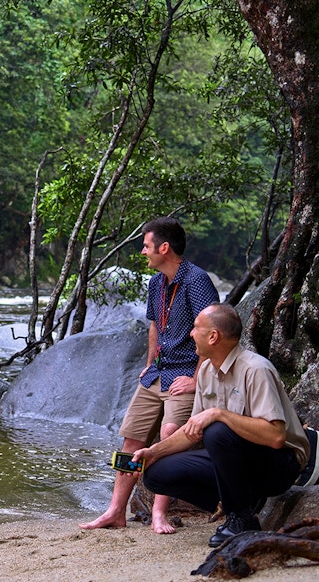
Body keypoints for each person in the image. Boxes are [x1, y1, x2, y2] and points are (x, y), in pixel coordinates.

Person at [79, 217, 219, 534]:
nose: (143, 251)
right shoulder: (156, 283)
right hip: (156, 372)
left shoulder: (197, 281)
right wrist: (148, 362)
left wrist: (198, 379)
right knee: (131, 440)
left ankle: (159, 512)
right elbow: (155, 325)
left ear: (164, 248)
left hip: (185, 372)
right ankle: (115, 511)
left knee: (170, 433)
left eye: (146, 245)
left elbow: (213, 330)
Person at [133, 303, 310, 547]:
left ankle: (242, 519)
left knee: (217, 430)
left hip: (280, 464)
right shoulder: (206, 369)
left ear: (213, 336)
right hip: (240, 462)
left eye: (196, 328)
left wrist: (219, 414)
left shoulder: (255, 369)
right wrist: (153, 453)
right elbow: (192, 431)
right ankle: (242, 505)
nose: (191, 334)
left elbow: (276, 436)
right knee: (156, 475)